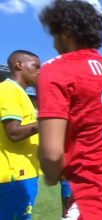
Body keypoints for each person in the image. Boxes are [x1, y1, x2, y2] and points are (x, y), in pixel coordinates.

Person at [37, 1, 102, 219]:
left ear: (66, 32)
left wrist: (51, 175)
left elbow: (51, 154)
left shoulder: (57, 68)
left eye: (54, 33)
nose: (53, 43)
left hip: (92, 199)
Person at [0, 50, 40, 220]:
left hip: (24, 173)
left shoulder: (21, 94)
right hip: (14, 176)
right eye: (36, 66)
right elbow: (14, 133)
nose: (40, 71)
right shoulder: (8, 90)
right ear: (19, 65)